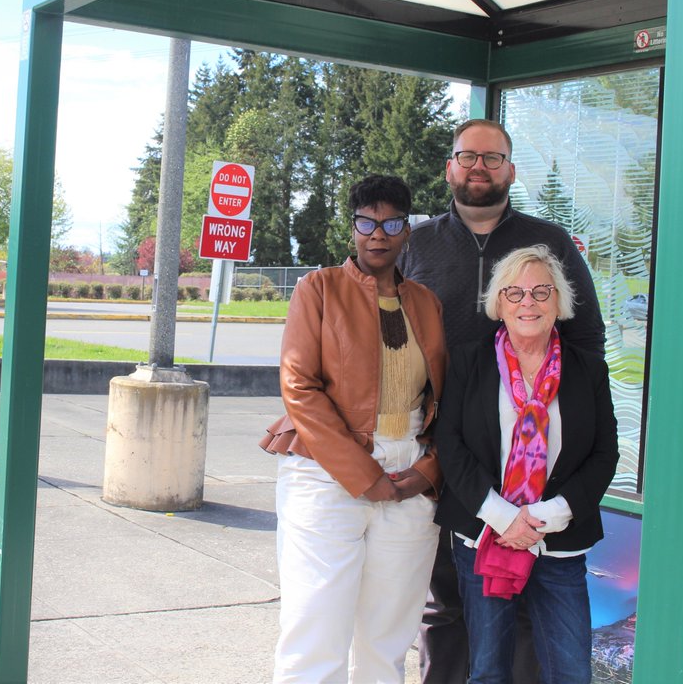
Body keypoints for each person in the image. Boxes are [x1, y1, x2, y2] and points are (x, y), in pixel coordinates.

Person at [400, 118, 606, 683]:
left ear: (510, 170)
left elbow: (587, 336)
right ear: (450, 168)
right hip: (443, 446)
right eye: (468, 157)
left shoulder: (549, 242)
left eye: (493, 159)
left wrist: (554, 408)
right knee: (447, 599)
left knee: (525, 613)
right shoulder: (418, 243)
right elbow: (378, 331)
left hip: (531, 447)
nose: (479, 168)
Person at [260, 174, 447, 683]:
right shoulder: (317, 289)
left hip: (409, 479)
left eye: (391, 223)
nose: (378, 234)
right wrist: (365, 476)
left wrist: (428, 471)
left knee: (386, 645)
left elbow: (444, 402)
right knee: (314, 635)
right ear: (353, 228)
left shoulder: (427, 304)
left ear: (408, 230)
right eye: (367, 222)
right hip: (325, 473)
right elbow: (299, 387)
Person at [435, 245, 618, 683]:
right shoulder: (468, 362)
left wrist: (540, 517)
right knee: (487, 670)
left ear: (560, 302)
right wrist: (502, 518)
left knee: (571, 671)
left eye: (540, 291)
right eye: (514, 293)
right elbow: (451, 444)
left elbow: (604, 454)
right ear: (499, 304)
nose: (528, 303)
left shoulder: (588, 369)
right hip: (485, 534)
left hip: (559, 539)